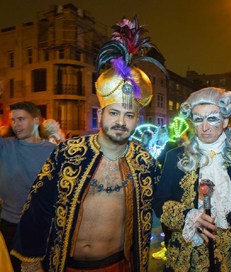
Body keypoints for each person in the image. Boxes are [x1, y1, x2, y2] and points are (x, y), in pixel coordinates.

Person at [11, 16, 163, 272]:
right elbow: (38, 206)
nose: (121, 122)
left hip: (120, 266)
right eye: (114, 113)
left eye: (129, 115)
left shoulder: (144, 162)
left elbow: (161, 205)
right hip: (68, 265)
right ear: (101, 113)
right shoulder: (70, 152)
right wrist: (31, 261)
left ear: (137, 119)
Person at [152, 87, 231, 271]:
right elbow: (160, 202)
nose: (204, 127)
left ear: (224, 121)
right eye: (198, 119)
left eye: (212, 118)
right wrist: (189, 217)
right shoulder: (176, 157)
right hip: (189, 260)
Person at [0, 101, 56, 272]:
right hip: (9, 226)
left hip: (42, 227)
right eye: (13, 120)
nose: (16, 124)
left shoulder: (54, 151)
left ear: (36, 120)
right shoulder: (5, 146)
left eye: (21, 119)